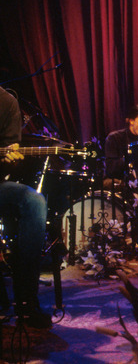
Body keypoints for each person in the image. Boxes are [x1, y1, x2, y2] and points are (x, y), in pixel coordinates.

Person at [0, 86, 52, 328]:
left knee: (34, 201)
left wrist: (10, 160)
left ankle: (26, 301)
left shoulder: (6, 102)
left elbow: (9, 156)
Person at [103, 104, 138, 187]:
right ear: (131, 121)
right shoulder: (115, 138)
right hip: (120, 181)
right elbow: (110, 169)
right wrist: (132, 156)